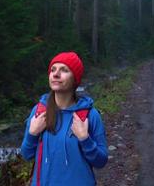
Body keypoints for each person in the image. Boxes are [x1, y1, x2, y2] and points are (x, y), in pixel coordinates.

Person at [20, 52, 108, 186]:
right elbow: (27, 155)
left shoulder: (89, 115)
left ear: (75, 79)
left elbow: (101, 161)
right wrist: (32, 134)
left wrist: (85, 139)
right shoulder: (39, 112)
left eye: (64, 70)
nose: (55, 74)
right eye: (53, 70)